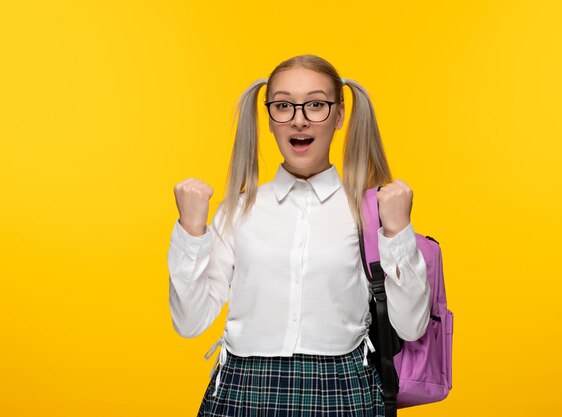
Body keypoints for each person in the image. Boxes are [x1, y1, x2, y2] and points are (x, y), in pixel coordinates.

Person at [167, 54, 431, 417]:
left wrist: (398, 233)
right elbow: (190, 321)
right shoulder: (238, 210)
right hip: (245, 389)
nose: (299, 119)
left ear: (339, 115)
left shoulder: (371, 211)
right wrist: (191, 232)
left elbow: (412, 327)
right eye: (284, 106)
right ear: (269, 118)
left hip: (341, 390)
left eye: (316, 104)